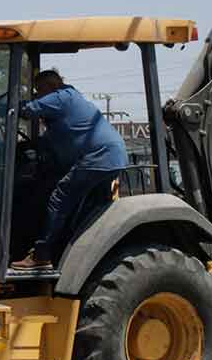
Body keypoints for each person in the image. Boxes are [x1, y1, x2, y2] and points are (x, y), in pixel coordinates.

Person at [11, 70, 127, 271]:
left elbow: (28, 110)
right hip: (110, 156)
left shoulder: (61, 97)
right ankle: (83, 251)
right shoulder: (67, 104)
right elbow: (49, 140)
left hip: (98, 157)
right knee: (95, 209)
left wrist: (7, 105)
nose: (37, 95)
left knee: (59, 197)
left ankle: (42, 254)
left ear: (50, 87)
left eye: (39, 91)